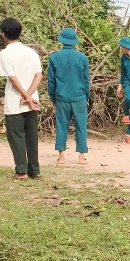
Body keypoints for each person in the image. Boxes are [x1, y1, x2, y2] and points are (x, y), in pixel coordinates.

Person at [0, 17, 42, 180]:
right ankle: (34, 171)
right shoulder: (32, 52)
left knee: (16, 137)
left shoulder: (5, 54)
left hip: (15, 102)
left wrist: (25, 96)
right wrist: (30, 96)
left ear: (3, 35)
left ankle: (22, 171)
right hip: (32, 102)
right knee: (32, 137)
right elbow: (39, 75)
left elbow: (13, 79)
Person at [47, 27, 90, 165]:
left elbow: (51, 81)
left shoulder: (54, 57)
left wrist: (52, 97)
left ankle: (61, 156)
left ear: (62, 41)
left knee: (61, 125)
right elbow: (86, 80)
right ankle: (82, 156)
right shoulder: (82, 58)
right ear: (74, 42)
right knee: (81, 126)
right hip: (79, 97)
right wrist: (86, 97)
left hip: (62, 97)